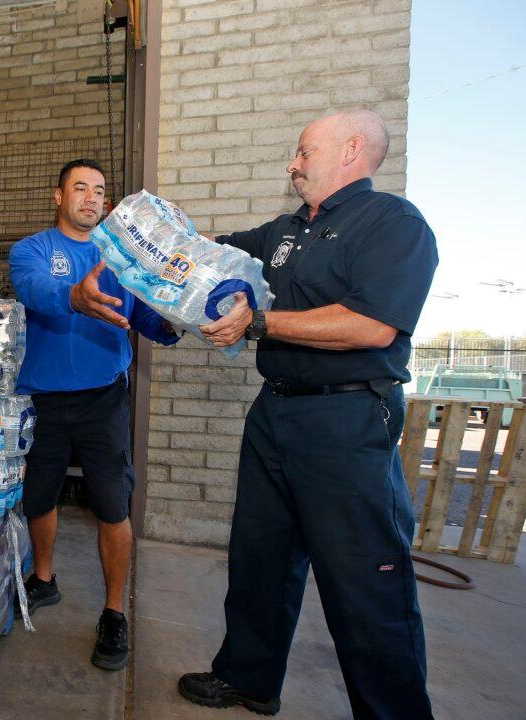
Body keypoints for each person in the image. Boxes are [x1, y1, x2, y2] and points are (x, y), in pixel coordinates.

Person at [177, 110, 437, 718]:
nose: (292, 165)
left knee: (363, 580)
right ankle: (249, 678)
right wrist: (150, 242)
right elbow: (210, 255)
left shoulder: (393, 223)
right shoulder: (287, 230)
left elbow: (372, 325)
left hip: (346, 421)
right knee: (258, 556)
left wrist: (260, 321)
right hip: (275, 414)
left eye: (302, 152)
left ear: (351, 150)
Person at [8, 158, 180, 671]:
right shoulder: (32, 250)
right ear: (57, 196)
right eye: (79, 188)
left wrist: (182, 317)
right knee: (39, 495)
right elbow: (33, 289)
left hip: (104, 400)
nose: (90, 197)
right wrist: (75, 297)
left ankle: (113, 611)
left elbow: (149, 316)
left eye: (99, 191)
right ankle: (43, 577)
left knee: (112, 505)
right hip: (43, 399)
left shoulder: (121, 258)